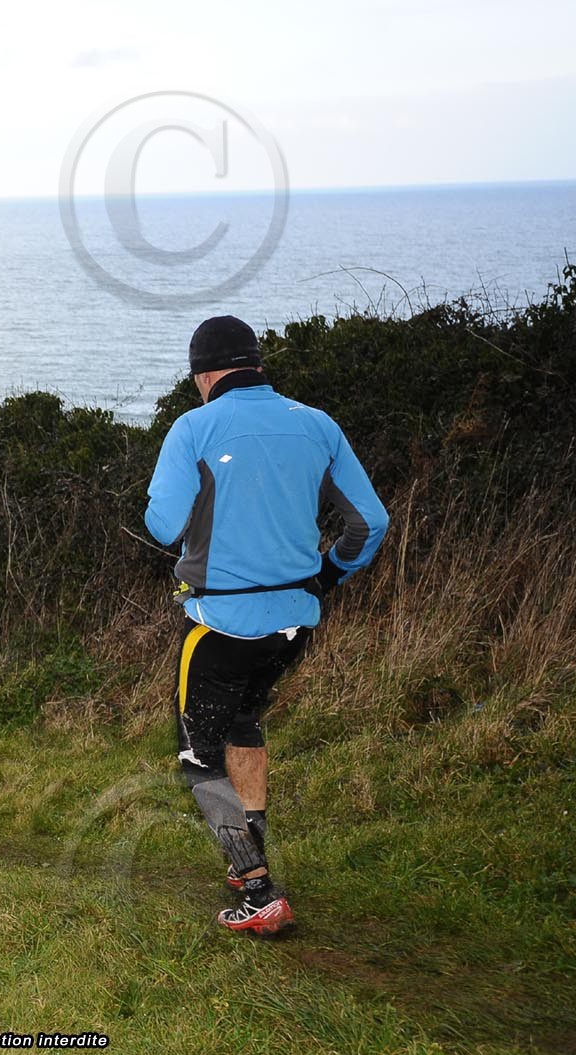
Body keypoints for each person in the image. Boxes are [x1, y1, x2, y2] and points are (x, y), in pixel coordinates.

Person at [146, 315, 388, 937]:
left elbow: (163, 526)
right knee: (244, 723)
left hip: (220, 625)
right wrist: (329, 574)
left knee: (199, 758)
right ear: (256, 365)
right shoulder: (318, 424)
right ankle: (247, 857)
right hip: (294, 624)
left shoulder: (194, 427)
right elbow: (370, 524)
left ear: (203, 376)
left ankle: (257, 889)